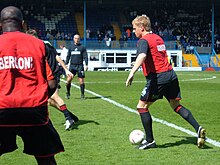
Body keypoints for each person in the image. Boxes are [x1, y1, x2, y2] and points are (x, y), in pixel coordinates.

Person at [125, 15, 206, 150]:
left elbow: (143, 55)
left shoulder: (143, 41)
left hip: (158, 78)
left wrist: (132, 72)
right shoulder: (158, 38)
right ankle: (198, 128)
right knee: (176, 105)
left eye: (134, 29)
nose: (133, 31)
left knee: (141, 107)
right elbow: (156, 56)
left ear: (142, 27)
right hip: (171, 75)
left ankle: (150, 141)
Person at [0, 6, 64, 164]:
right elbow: (52, 82)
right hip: (34, 110)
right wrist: (42, 98)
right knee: (45, 158)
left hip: (1, 109)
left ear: (0, 25)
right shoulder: (40, 45)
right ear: (22, 24)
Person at [26, 29, 79, 130]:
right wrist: (66, 70)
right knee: (50, 101)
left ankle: (68, 118)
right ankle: (70, 116)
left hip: (50, 75)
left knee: (54, 96)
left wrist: (66, 70)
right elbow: (57, 57)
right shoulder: (48, 44)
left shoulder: (40, 47)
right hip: (53, 74)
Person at [65, 34, 88, 100]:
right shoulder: (70, 47)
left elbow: (85, 56)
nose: (77, 39)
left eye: (78, 38)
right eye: (75, 38)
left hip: (80, 66)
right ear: (73, 39)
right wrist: (66, 64)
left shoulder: (82, 47)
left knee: (81, 80)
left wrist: (86, 64)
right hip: (72, 66)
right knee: (68, 80)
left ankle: (82, 95)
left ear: (79, 39)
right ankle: (68, 93)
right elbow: (68, 56)